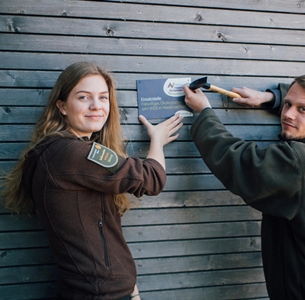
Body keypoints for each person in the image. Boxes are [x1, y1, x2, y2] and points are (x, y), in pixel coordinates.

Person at [1, 61, 183, 300]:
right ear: (62, 106)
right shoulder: (73, 154)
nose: (96, 106)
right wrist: (157, 141)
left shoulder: (55, 151)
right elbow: (151, 179)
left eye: (103, 98)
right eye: (84, 97)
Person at [183, 74, 305, 300]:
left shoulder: (299, 162)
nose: (287, 114)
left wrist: (204, 113)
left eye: (302, 110)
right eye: (288, 104)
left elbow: (237, 160)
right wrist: (269, 98)